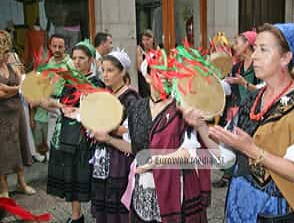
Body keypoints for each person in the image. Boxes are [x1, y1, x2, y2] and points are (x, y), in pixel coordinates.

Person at [186, 23, 294, 222]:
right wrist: (200, 125)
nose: (254, 56)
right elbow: (224, 158)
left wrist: (252, 150)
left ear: (286, 58)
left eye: (263, 50)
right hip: (238, 206)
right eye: (255, 49)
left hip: (274, 212)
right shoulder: (252, 101)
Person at [93, 52, 211, 223]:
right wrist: (109, 139)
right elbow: (135, 148)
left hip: (177, 186)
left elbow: (191, 152)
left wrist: (158, 161)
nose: (166, 78)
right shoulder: (137, 108)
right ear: (147, 76)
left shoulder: (182, 108)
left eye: (171, 73)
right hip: (145, 186)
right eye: (160, 72)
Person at [39, 40, 104, 223]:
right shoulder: (69, 82)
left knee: (84, 177)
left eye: (82, 58)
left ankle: (97, 214)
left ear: (91, 59)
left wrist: (83, 113)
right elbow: (55, 103)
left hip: (84, 137)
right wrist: (59, 105)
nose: (77, 61)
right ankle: (76, 216)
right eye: (74, 58)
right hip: (66, 135)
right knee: (71, 177)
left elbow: (101, 112)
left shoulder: (96, 83)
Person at [88, 50, 139, 223]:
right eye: (103, 70)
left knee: (118, 204)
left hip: (120, 157)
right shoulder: (107, 94)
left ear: (122, 72)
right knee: (104, 200)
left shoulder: (131, 98)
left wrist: (110, 130)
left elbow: (133, 132)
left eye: (110, 70)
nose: (105, 75)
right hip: (103, 155)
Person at [214, 31, 259, 188]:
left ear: (247, 44)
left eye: (238, 42)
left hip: (253, 114)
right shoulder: (236, 67)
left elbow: (264, 90)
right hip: (235, 110)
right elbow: (228, 89)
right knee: (229, 143)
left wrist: (244, 83)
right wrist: (216, 80)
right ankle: (230, 176)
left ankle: (248, 177)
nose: (235, 45)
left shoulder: (258, 65)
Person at [0, 30, 36, 198]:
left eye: (8, 51)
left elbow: (24, 84)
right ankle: (4, 188)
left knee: (20, 145)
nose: (8, 55)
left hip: (17, 112)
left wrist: (10, 89)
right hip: (2, 115)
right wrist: (16, 89)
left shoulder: (11, 66)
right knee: (4, 150)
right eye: (5, 52)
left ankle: (22, 183)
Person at [136, 30, 158, 98]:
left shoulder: (157, 49)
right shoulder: (140, 49)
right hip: (144, 79)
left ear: (153, 40)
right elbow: (139, 67)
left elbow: (160, 65)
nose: (145, 42)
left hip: (154, 78)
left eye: (147, 39)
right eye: (143, 40)